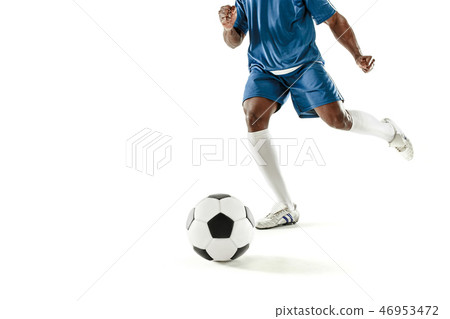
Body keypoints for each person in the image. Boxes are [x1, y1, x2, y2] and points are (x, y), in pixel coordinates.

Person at [218, 0, 413, 229]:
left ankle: (389, 132)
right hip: (264, 68)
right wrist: (228, 27)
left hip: (304, 64)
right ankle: (285, 206)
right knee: (253, 118)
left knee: (338, 120)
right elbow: (235, 41)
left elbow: (334, 19)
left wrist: (357, 55)